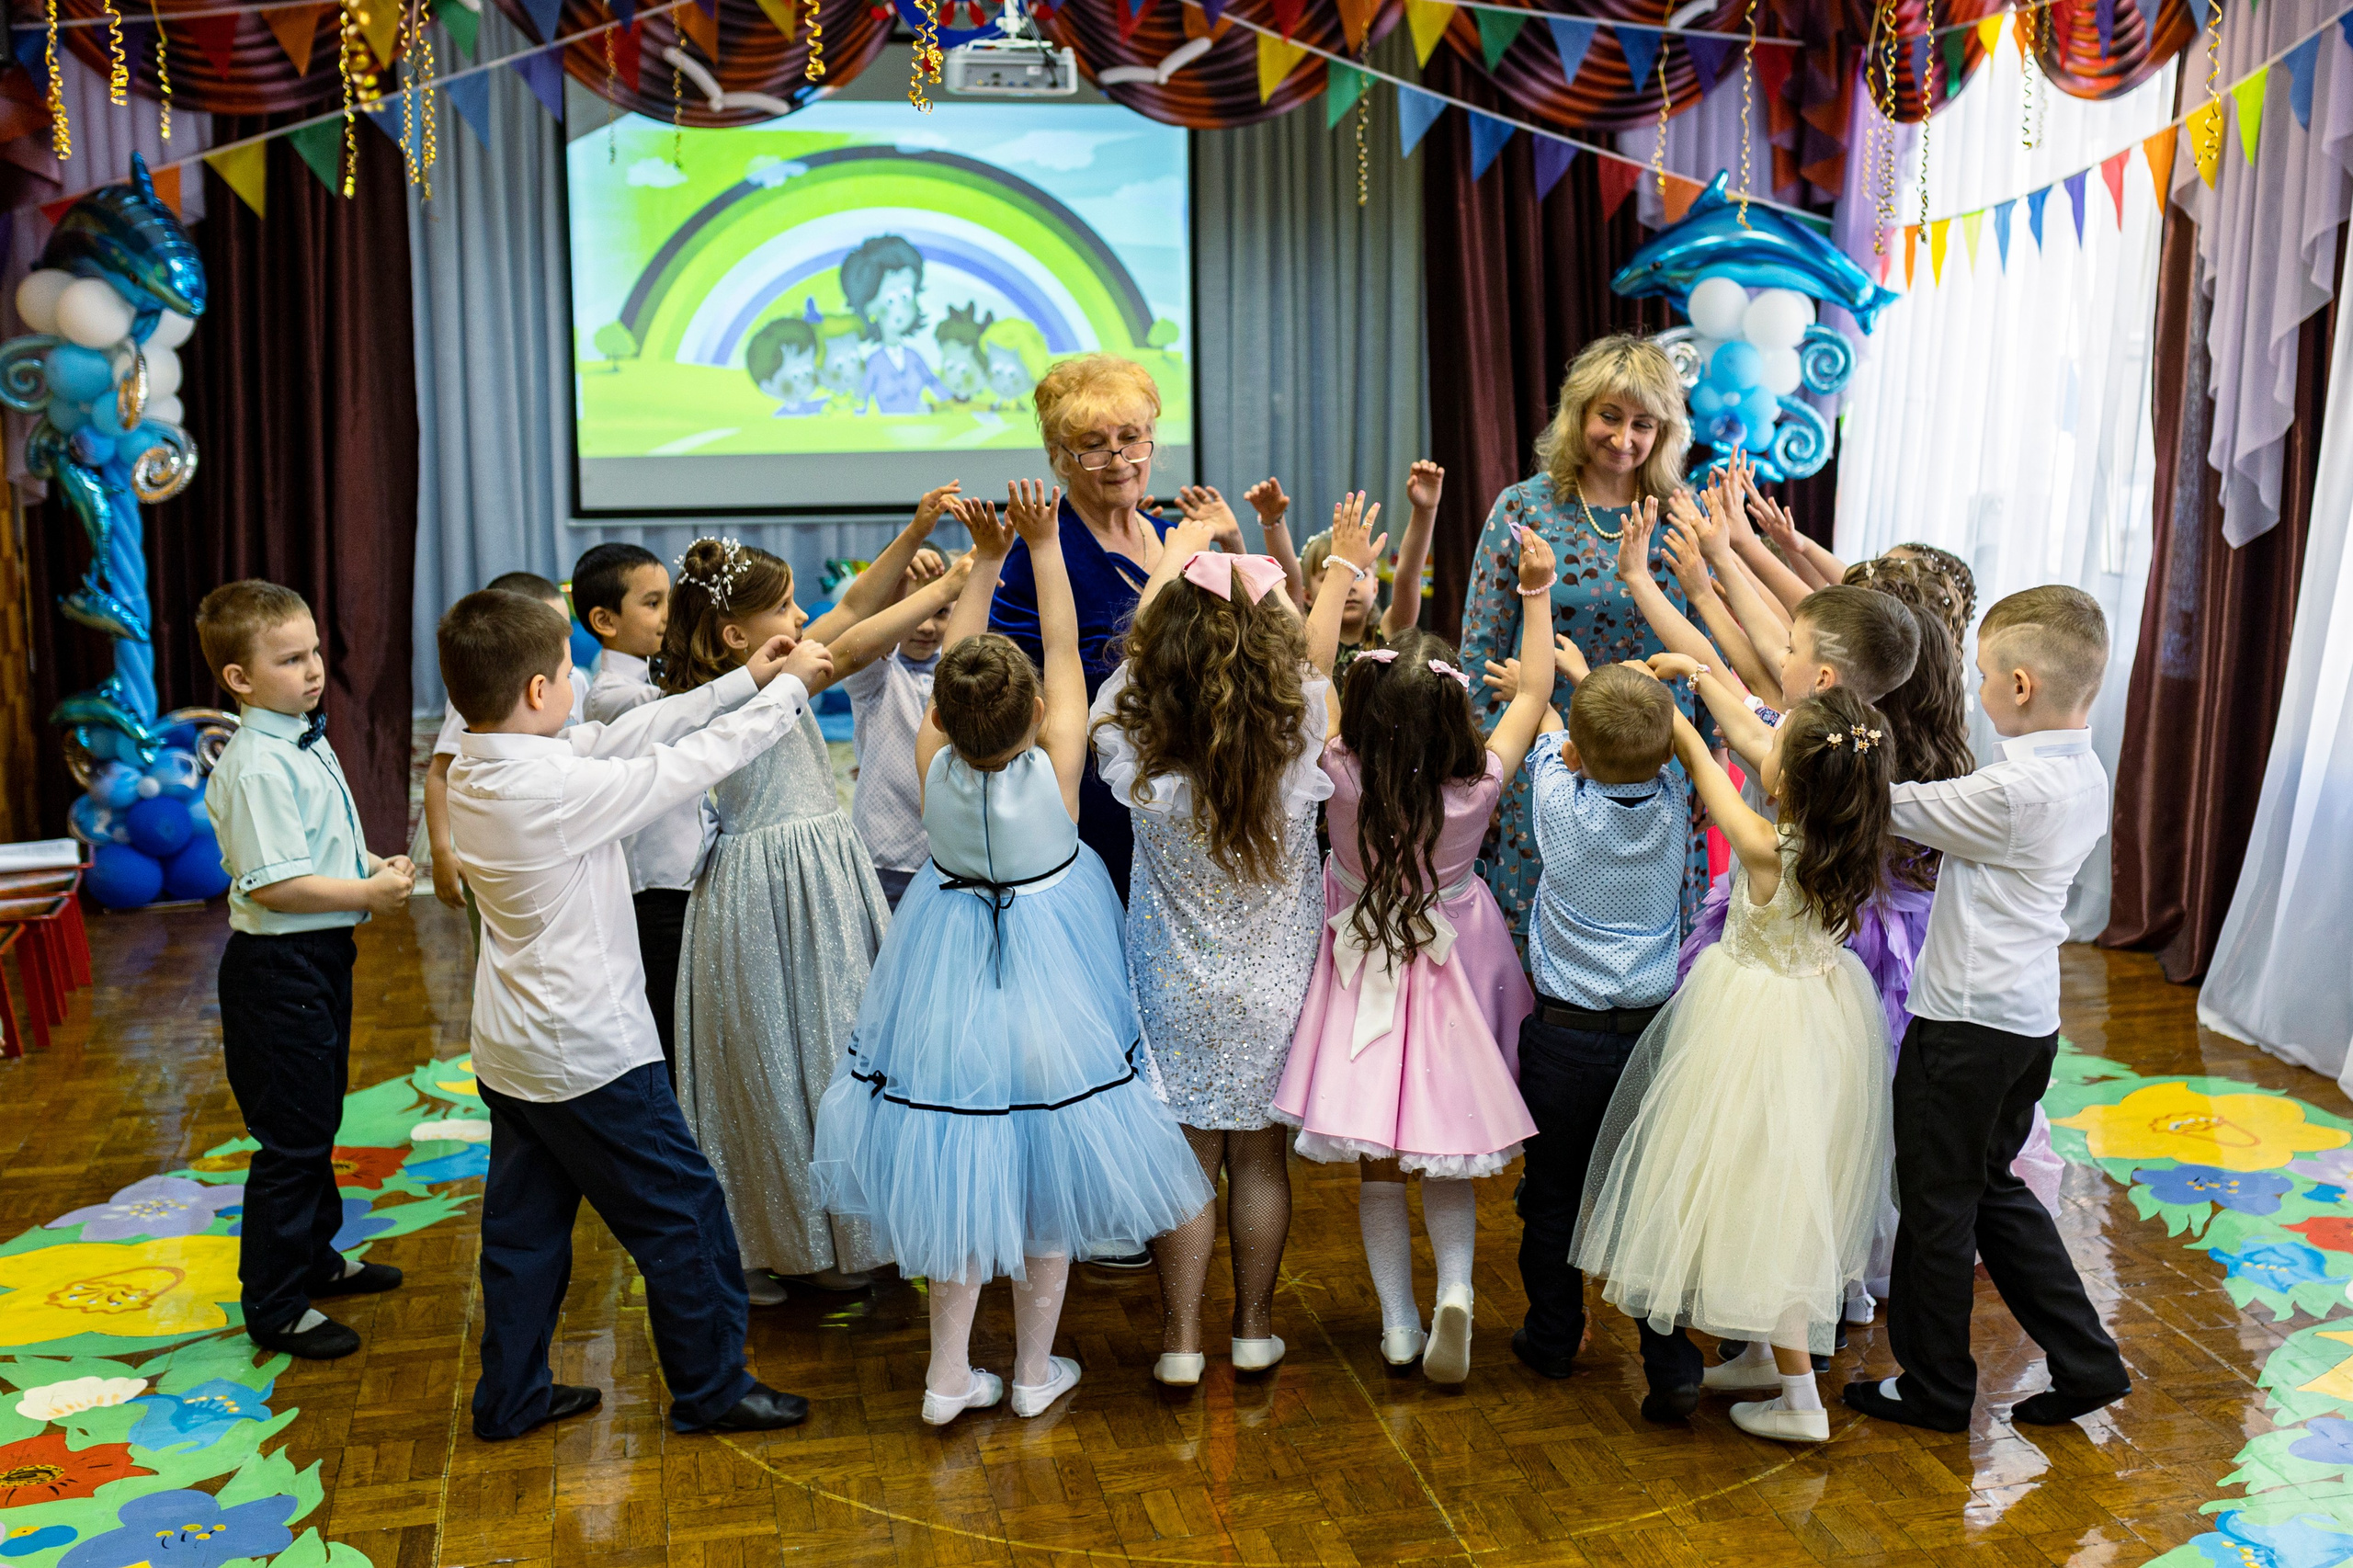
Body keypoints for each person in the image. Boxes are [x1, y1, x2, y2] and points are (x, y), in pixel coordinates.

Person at [811, 483, 1212, 1426]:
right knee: (1046, 1170)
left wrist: (984, 560)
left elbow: (961, 659)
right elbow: (1071, 647)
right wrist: (1039, 543)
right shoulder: (1059, 758)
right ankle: (1033, 1366)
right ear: (1035, 708)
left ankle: (946, 1375)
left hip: (944, 968)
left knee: (958, 1157)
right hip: (1052, 979)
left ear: (942, 715)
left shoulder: (932, 762)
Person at [439, 586, 827, 1440]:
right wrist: (789, 689)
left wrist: (739, 682)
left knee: (524, 1233)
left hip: (514, 1053)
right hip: (589, 1052)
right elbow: (679, 769)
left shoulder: (477, 762)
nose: (576, 685)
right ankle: (712, 1388)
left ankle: (511, 1395)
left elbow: (618, 737)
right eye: (567, 671)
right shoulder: (549, 791)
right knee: (684, 1212)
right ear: (540, 692)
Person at [1574, 685, 1900, 1446]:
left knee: (1764, 1204)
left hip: (1757, 1033)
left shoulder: (1763, 847)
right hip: (1820, 1025)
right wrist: (1702, 670)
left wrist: (1671, 710)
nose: (1762, 755)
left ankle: (1800, 1400)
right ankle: (1758, 1356)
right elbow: (1754, 750)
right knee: (1774, 1188)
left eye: (1774, 751)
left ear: (1784, 782)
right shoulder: (1851, 838)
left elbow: (1702, 760)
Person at [1086, 496, 1363, 1385]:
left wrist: (1180, 555)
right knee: (1258, 1158)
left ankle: (1178, 1343)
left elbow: (1136, 646)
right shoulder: (1302, 725)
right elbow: (1309, 657)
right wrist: (1271, 575)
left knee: (1186, 1161)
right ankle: (1251, 1330)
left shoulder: (1133, 725)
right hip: (1275, 986)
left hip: (1172, 983)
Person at [1272, 517, 1555, 1385]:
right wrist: (1535, 593)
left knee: (1379, 1163)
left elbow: (1306, 669)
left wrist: (1344, 566)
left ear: (1358, 714)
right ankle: (1457, 1289)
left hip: (1362, 973)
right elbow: (1535, 694)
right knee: (1450, 1142)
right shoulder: (1474, 788)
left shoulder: (1338, 772)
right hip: (1457, 977)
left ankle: (1398, 1323)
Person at [1845, 586, 2131, 1434]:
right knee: (1992, 1191)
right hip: (2025, 1026)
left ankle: (1932, 1388)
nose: (1971, 692)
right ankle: (2088, 1360)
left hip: (1965, 1030)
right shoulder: (2079, 769)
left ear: (2018, 686)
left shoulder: (2013, 796)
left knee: (1935, 1209)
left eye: (1978, 677)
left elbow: (1879, 804)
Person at [666, 526, 974, 1303]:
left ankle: (834, 1232)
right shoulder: (747, 691)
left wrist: (911, 534)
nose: (804, 617)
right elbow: (863, 638)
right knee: (776, 1060)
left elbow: (851, 609)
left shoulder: (768, 667)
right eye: (785, 607)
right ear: (737, 633)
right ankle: (776, 1241)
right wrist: (942, 591)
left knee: (830, 1051)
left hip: (813, 876)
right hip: (769, 886)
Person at [198, 581, 415, 1361]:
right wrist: (367, 893)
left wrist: (364, 864)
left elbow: (318, 844)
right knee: (289, 1141)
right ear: (240, 680)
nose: (314, 669)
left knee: (316, 1118)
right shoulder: (257, 765)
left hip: (319, 957)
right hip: (278, 968)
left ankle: (315, 1258)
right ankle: (276, 1304)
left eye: (315, 651)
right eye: (290, 660)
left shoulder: (302, 736)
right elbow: (277, 885)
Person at [1484, 649, 1701, 1419]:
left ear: (1575, 753)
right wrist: (1592, 686)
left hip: (1563, 1041)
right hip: (1651, 1040)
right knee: (1645, 1196)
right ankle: (1670, 1359)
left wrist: (1549, 688)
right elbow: (1605, 735)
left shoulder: (1560, 803)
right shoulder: (1678, 794)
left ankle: (1552, 1335)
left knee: (1550, 1199)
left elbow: (1549, 733)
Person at [1458, 335, 1716, 939]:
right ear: (1579, 414)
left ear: (1665, 432)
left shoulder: (1680, 512)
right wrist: (1482, 766)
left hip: (1659, 759)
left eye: (1643, 424)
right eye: (1610, 416)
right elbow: (1479, 649)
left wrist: (1713, 753)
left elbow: (1707, 648)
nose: (1624, 439)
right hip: (1547, 760)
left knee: (1650, 942)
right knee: (1546, 941)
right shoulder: (1525, 508)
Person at [987, 354, 1177, 899]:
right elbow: (1016, 690)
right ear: (1060, 459)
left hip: (1182, 800)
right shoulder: (1038, 551)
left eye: (1132, 437)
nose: (1119, 459)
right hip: (1091, 801)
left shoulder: (1175, 536)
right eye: (1095, 444)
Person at [574, 542, 701, 1084]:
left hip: (684, 882)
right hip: (655, 894)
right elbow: (701, 706)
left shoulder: (651, 680)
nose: (668, 615)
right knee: (670, 1041)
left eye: (669, 599)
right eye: (652, 603)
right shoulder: (615, 698)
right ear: (604, 620)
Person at [420, 572, 592, 937]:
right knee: (497, 943)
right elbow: (439, 774)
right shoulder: (486, 698)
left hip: (550, 848)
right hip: (497, 851)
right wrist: (441, 852)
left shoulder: (573, 680)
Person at [843, 483, 965, 911]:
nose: (926, 626)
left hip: (951, 854)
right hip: (885, 856)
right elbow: (865, 635)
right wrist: (897, 580)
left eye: (941, 612)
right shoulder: (875, 673)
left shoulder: (963, 673)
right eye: (915, 610)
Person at [1245, 460, 1444, 681]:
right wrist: (1273, 522)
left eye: (1359, 575)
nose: (1349, 586)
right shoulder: (1305, 636)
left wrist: (1425, 509)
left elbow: (1408, 577)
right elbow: (1290, 580)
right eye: (1331, 576)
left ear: (1376, 587)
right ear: (1308, 596)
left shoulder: (1391, 630)